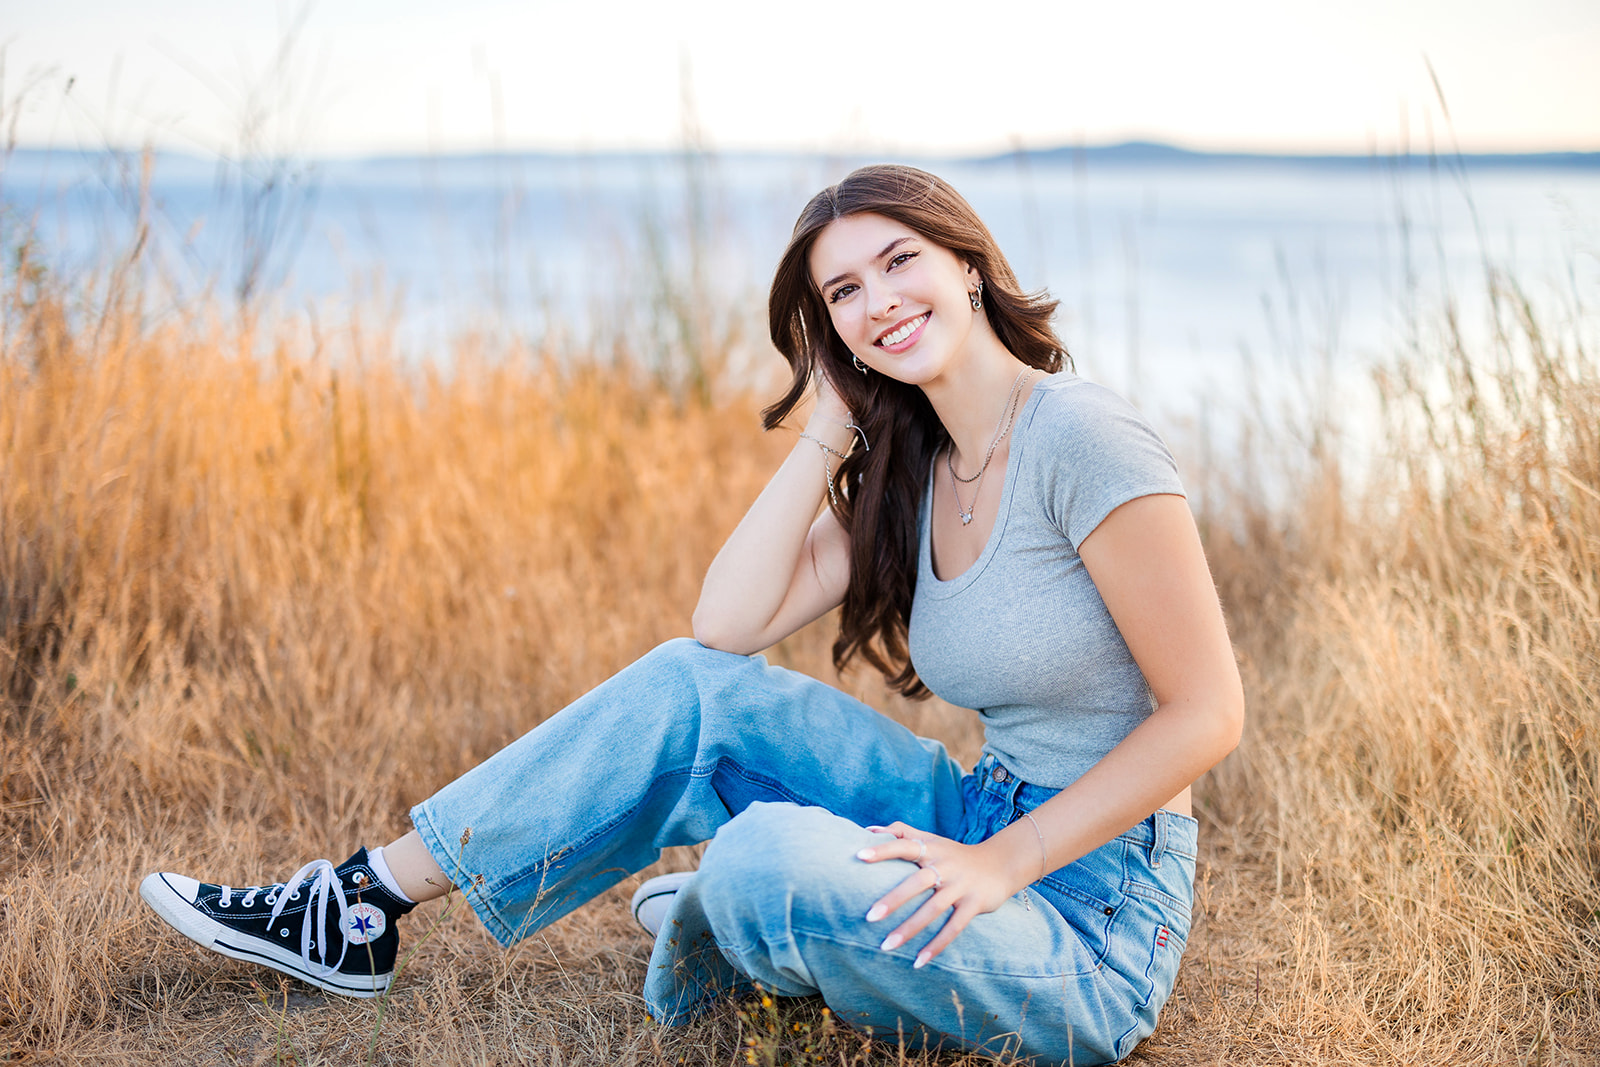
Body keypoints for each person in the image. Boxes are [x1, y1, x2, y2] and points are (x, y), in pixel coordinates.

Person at [139, 164, 1244, 1065]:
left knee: (763, 855)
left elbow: (1205, 713)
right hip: (968, 813)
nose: (880, 299)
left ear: (964, 260)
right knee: (689, 688)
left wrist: (1005, 862)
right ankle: (359, 904)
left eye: (899, 259)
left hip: (1089, 913)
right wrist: (831, 429)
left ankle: (734, 906)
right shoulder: (923, 468)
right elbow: (722, 630)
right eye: (844, 293)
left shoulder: (1084, 439)